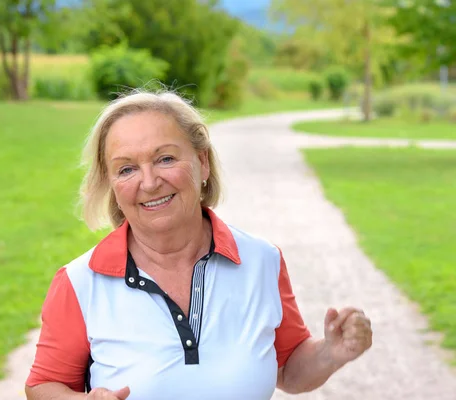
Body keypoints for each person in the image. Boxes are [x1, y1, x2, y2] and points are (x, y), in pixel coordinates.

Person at [24, 90, 372, 400]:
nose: (149, 182)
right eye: (127, 169)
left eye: (165, 159)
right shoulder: (81, 282)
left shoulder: (261, 260)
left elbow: (289, 369)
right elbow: (43, 385)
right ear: (111, 183)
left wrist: (331, 352)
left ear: (202, 162)